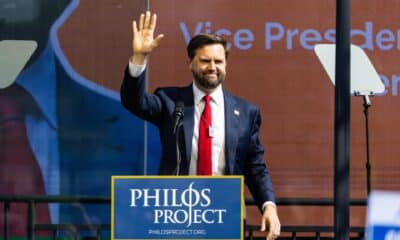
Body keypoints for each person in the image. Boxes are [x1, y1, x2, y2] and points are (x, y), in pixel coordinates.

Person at [120, 11, 281, 240]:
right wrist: (138, 59)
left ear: (226, 64)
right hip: (176, 214)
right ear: (190, 63)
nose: (212, 67)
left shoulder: (246, 112)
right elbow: (133, 102)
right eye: (205, 61)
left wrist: (269, 206)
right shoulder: (170, 101)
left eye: (218, 61)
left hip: (224, 213)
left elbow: (255, 166)